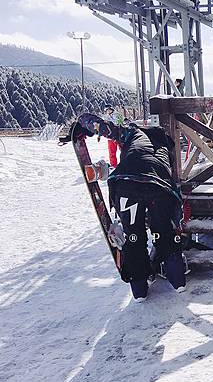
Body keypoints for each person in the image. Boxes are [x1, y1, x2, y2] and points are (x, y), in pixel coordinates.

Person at [66, 113, 187, 302]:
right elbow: (172, 181)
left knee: (133, 236)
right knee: (164, 232)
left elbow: (102, 127)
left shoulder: (132, 132)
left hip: (126, 184)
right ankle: (177, 280)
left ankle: (139, 290)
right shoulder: (165, 143)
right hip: (158, 186)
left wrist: (83, 124)